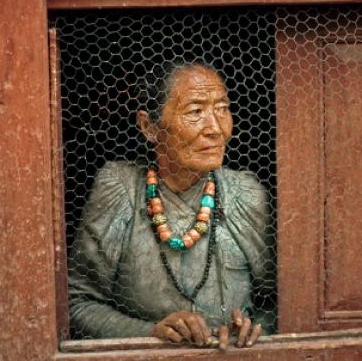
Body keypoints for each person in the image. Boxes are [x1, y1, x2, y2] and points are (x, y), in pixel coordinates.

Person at [67, 60, 274, 349]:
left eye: (223, 109)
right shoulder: (120, 189)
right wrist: (152, 333)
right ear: (149, 126)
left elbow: (281, 303)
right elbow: (77, 304)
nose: (215, 128)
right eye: (195, 112)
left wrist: (254, 330)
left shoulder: (246, 195)